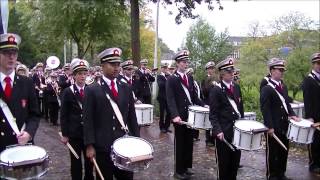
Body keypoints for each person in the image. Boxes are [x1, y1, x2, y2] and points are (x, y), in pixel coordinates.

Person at [83, 47, 139, 180]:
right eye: (112, 64)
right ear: (102, 66)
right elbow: (88, 120)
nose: (116, 68)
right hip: (103, 147)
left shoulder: (126, 87)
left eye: (118, 64)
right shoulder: (92, 90)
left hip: (125, 146)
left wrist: (137, 140)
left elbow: (131, 117)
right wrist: (90, 145)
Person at [166, 50, 205, 179]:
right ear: (177, 63)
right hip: (179, 117)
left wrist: (203, 105)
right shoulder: (172, 79)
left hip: (191, 116)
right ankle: (178, 170)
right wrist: (175, 115)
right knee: (180, 144)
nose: (186, 64)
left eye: (187, 61)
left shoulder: (189, 77)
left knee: (189, 142)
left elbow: (193, 96)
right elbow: (170, 99)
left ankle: (186, 167)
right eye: (183, 62)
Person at [260, 58, 299, 180]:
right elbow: (265, 109)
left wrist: (292, 114)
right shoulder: (266, 88)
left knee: (283, 150)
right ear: (271, 71)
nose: (282, 72)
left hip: (284, 124)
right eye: (279, 70)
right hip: (273, 126)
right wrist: (269, 126)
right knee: (273, 152)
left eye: (283, 70)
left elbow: (287, 104)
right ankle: (272, 175)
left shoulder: (283, 86)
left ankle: (281, 173)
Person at [0, 33, 40, 152]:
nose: (11, 57)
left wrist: (29, 133)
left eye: (14, 53)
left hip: (22, 147)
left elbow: (35, 114)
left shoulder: (26, 83)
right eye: (7, 53)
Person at [209, 57, 243, 180]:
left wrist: (242, 126)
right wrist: (218, 130)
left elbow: (240, 110)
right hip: (223, 133)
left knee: (234, 165)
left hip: (237, 132)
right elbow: (213, 114)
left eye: (232, 71)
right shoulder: (216, 90)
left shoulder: (237, 87)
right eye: (229, 71)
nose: (232, 73)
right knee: (224, 166)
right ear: (222, 74)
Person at [60, 58, 94, 180]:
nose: (83, 76)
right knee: (76, 163)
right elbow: (64, 114)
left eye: (85, 73)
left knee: (90, 162)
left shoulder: (91, 90)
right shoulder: (68, 92)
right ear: (74, 75)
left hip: (88, 134)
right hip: (74, 134)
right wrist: (65, 134)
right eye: (80, 74)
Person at [301, 52, 320, 174]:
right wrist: (309, 117)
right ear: (313, 64)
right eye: (317, 63)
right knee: (315, 141)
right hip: (314, 116)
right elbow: (307, 100)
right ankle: (313, 164)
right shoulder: (309, 80)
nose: (319, 65)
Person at [201, 61, 217, 146]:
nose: (211, 70)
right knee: (208, 121)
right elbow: (204, 92)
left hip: (216, 103)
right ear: (207, 70)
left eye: (212, 68)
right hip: (208, 102)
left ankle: (214, 138)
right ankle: (208, 140)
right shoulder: (205, 79)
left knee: (215, 121)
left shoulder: (217, 78)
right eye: (209, 68)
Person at [157, 62, 171, 133]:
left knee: (169, 112)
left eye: (166, 68)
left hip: (168, 98)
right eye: (164, 68)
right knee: (162, 113)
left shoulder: (168, 76)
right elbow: (161, 85)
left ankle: (166, 126)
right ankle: (161, 127)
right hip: (162, 97)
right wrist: (168, 80)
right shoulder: (160, 76)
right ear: (161, 68)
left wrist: (169, 77)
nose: (165, 69)